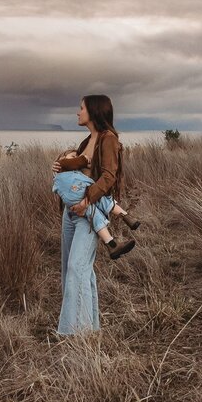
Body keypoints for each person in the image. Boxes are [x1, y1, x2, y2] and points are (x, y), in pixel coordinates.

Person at [51, 94, 137, 336]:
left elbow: (108, 176)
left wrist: (87, 200)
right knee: (76, 269)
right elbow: (80, 170)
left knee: (77, 268)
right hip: (71, 214)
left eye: (81, 108)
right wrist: (60, 167)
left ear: (94, 111)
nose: (78, 113)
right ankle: (88, 329)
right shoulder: (86, 141)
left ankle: (73, 333)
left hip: (88, 214)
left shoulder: (108, 140)